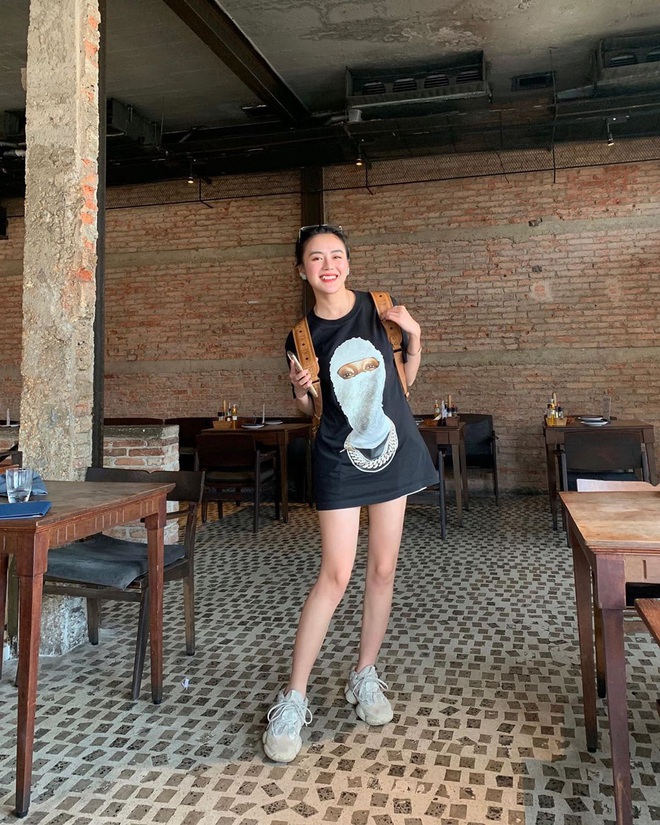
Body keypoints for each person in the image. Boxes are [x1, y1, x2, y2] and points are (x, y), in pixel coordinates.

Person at [262, 224, 437, 763]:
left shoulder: (379, 308)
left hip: (393, 449)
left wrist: (414, 337)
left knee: (383, 569)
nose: (328, 265)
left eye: (336, 255)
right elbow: (312, 410)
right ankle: (293, 698)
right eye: (316, 258)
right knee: (335, 574)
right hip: (338, 457)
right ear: (302, 270)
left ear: (348, 263)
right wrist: (300, 394)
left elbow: (404, 385)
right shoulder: (300, 337)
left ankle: (364, 674)